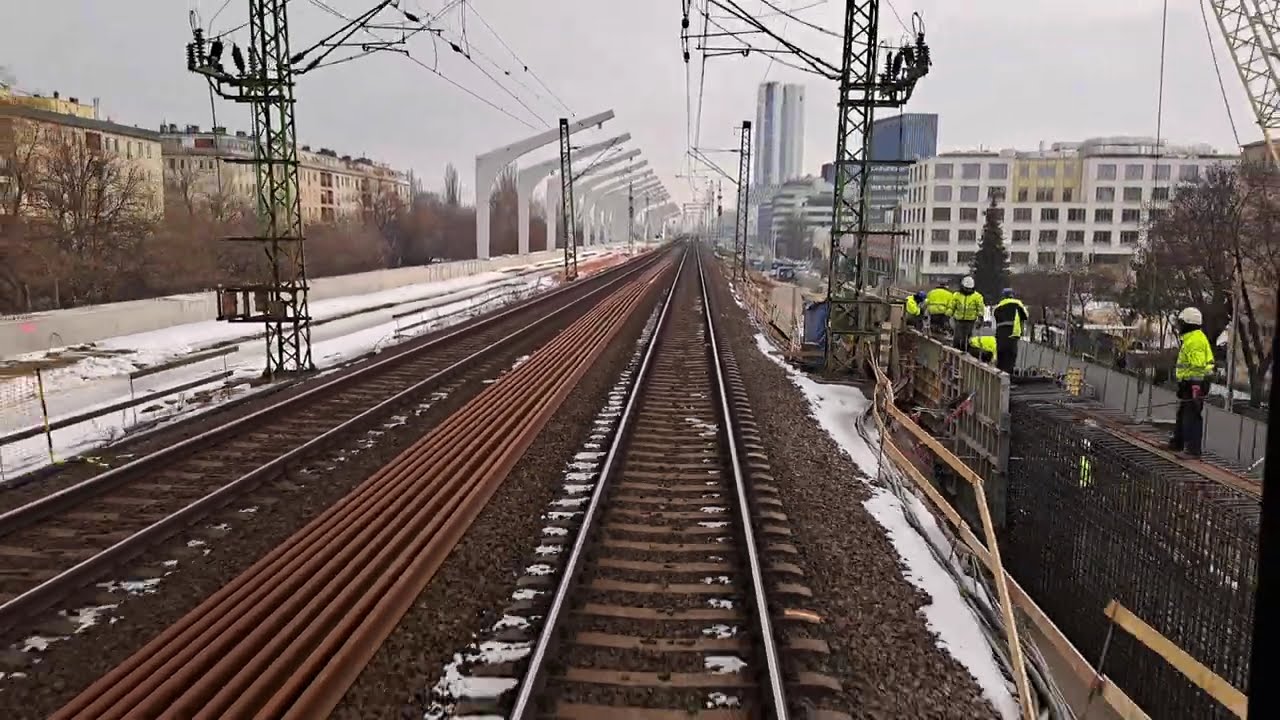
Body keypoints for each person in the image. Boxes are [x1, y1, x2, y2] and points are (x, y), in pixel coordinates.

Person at [1169, 306, 1214, 457]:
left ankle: (1192, 450)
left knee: (1192, 415)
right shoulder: (1191, 338)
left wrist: (1195, 386)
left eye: (1181, 323)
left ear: (1188, 323)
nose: (1179, 326)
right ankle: (1178, 443)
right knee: (1183, 413)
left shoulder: (1195, 341)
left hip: (1196, 384)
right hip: (1190, 382)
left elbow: (1197, 367)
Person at [992, 288, 1029, 374]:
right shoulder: (1017, 303)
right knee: (1011, 355)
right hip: (1013, 333)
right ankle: (1009, 376)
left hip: (1000, 334)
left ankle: (999, 374)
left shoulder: (998, 307)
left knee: (1001, 354)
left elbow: (996, 319)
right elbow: (1026, 315)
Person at [950, 275, 985, 351]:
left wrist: (980, 318)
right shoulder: (956, 295)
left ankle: (966, 351)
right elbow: (952, 307)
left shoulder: (977, 297)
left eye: (969, 289)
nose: (968, 290)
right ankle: (956, 350)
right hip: (959, 320)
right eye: (966, 288)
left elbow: (980, 308)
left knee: (967, 339)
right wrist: (947, 316)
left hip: (970, 321)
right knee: (957, 338)